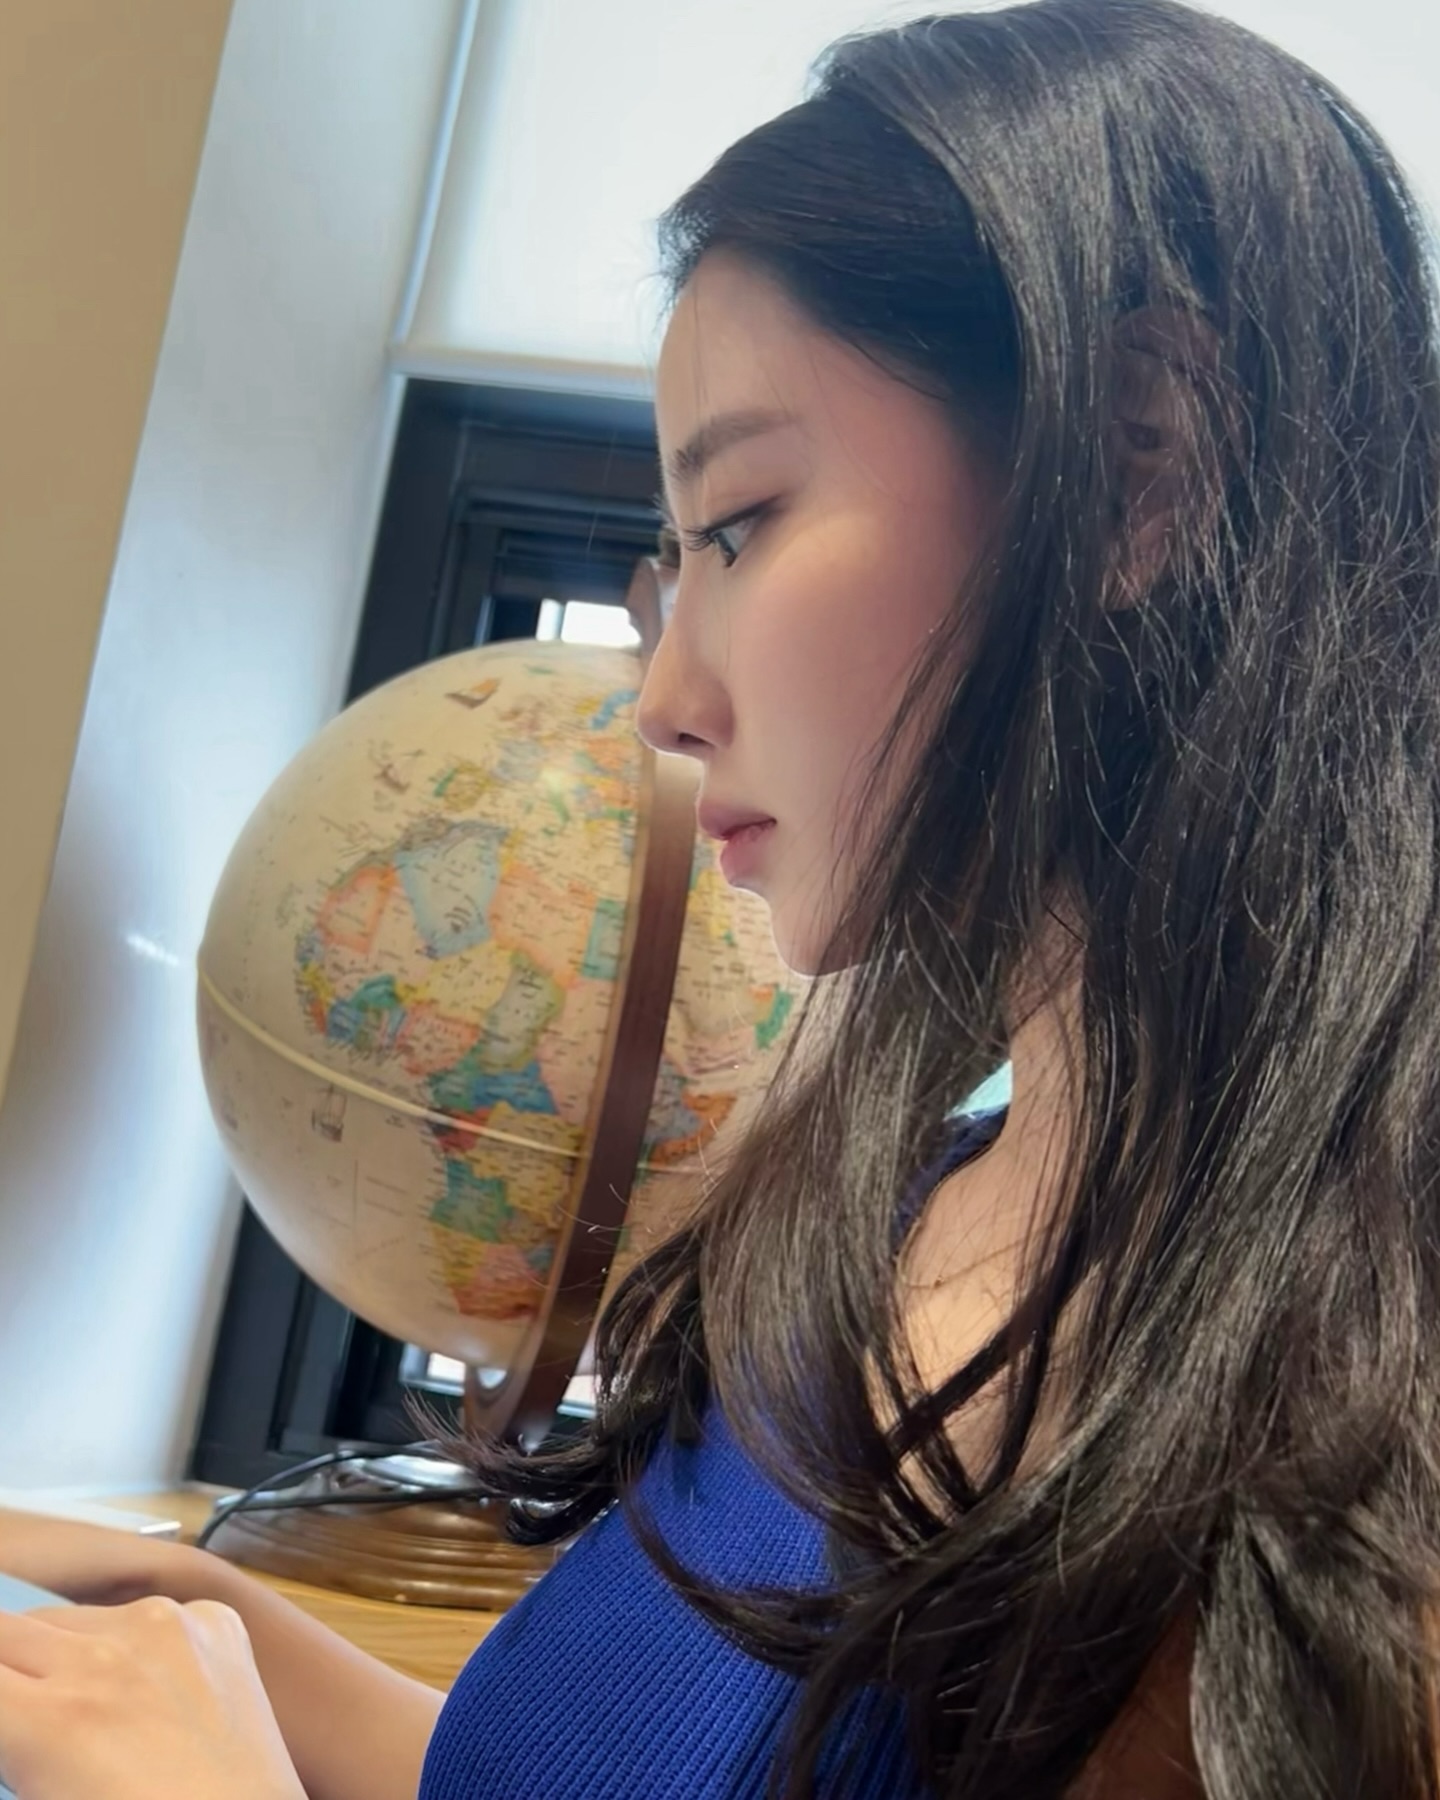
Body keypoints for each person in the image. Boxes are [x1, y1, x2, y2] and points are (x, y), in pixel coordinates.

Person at [1, 0, 1438, 1793]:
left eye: (741, 525)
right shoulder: (886, 1202)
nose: (667, 702)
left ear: (1143, 469)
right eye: (672, 562)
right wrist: (206, 1619)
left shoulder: (1352, 1431)